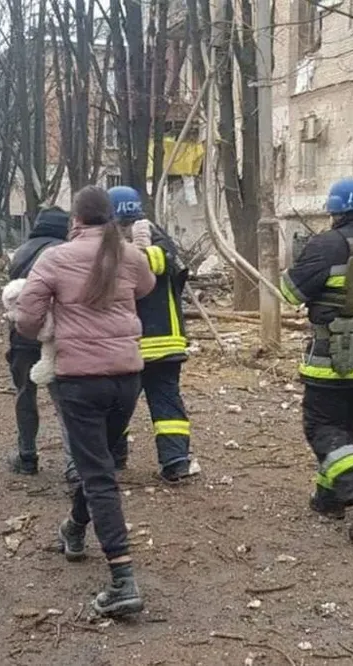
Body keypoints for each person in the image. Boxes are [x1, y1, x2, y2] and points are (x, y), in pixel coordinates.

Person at [14, 185, 155, 617]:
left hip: (79, 381)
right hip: (128, 378)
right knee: (101, 464)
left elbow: (26, 317)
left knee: (99, 476)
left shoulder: (54, 258)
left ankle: (123, 580)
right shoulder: (128, 255)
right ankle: (74, 528)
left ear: (76, 220)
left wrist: (47, 327)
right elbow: (146, 288)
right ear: (110, 218)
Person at [279, 177, 353, 541]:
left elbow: (289, 292)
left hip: (334, 355)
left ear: (335, 211)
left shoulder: (326, 244)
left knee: (320, 426)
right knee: (344, 425)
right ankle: (328, 498)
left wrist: (303, 260)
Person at [107, 186, 198, 483]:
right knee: (167, 401)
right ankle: (176, 461)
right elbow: (176, 273)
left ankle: (113, 455)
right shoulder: (161, 238)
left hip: (128, 343)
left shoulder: (110, 247)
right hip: (167, 340)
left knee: (118, 403)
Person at [5, 206, 76, 480]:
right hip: (58, 336)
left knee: (25, 394)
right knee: (64, 402)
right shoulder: (67, 253)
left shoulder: (21, 253)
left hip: (22, 335)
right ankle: (72, 465)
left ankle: (27, 455)